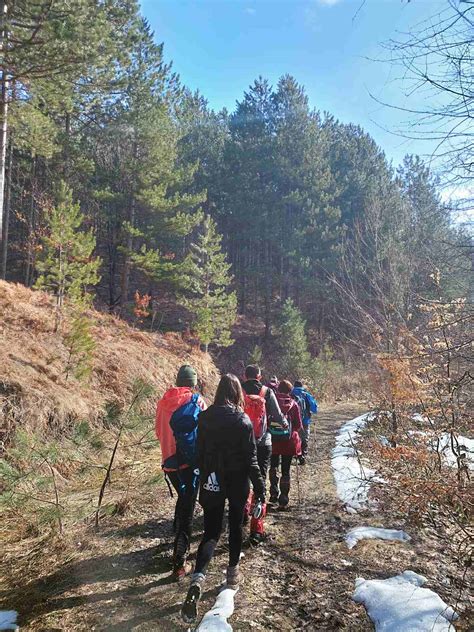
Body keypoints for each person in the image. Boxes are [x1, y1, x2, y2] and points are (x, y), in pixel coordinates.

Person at [181, 374, 265, 624]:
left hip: (212, 479)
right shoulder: (243, 421)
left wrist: (201, 474)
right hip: (238, 481)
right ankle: (232, 575)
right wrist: (261, 488)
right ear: (237, 393)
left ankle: (197, 579)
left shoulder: (205, 418)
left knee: (211, 532)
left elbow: (199, 452)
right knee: (236, 527)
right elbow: (251, 459)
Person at [155, 365, 207, 581]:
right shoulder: (197, 402)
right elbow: (206, 432)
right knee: (187, 507)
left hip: (169, 463)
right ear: (193, 383)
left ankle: (178, 538)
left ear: (177, 381)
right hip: (189, 464)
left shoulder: (162, 402)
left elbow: (158, 431)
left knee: (184, 500)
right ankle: (180, 561)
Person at [241, 364, 285, 543]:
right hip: (263, 442)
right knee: (260, 481)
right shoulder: (267, 392)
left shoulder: (238, 390)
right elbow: (277, 414)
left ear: (245, 376)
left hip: (242, 444)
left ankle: (243, 513)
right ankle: (257, 528)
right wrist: (284, 424)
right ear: (259, 376)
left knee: (243, 478)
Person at [270, 380, 302, 507]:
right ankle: (283, 498)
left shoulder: (271, 402)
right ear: (290, 391)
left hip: (272, 440)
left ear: (278, 389)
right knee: (286, 470)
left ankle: (273, 492)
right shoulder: (294, 404)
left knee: (273, 466)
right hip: (289, 442)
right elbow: (298, 425)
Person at [291, 380, 318, 465]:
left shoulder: (289, 394)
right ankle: (303, 455)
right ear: (301, 386)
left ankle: (294, 454)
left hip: (292, 421)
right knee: (304, 437)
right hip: (305, 420)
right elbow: (314, 409)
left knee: (294, 437)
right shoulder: (306, 395)